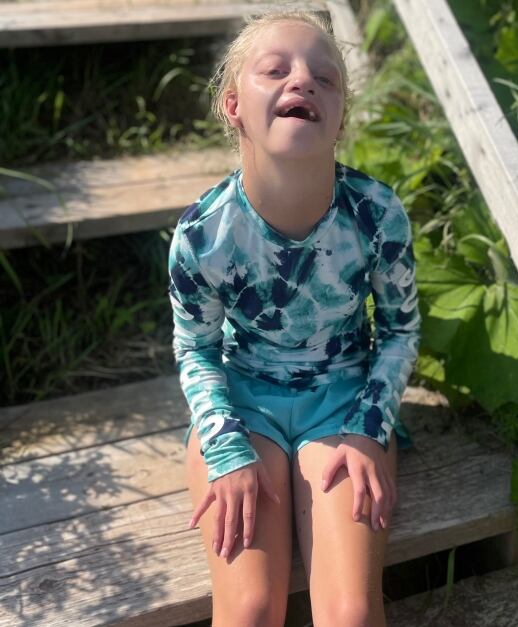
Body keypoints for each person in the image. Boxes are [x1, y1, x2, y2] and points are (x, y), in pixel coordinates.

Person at [167, 10, 420, 627]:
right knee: (251, 608)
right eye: (275, 70)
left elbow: (399, 330)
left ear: (338, 121)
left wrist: (368, 425)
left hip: (343, 407)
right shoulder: (203, 235)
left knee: (350, 614)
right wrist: (225, 448)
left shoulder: (377, 215)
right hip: (242, 407)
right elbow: (196, 349)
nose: (302, 81)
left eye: (325, 78)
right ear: (232, 107)